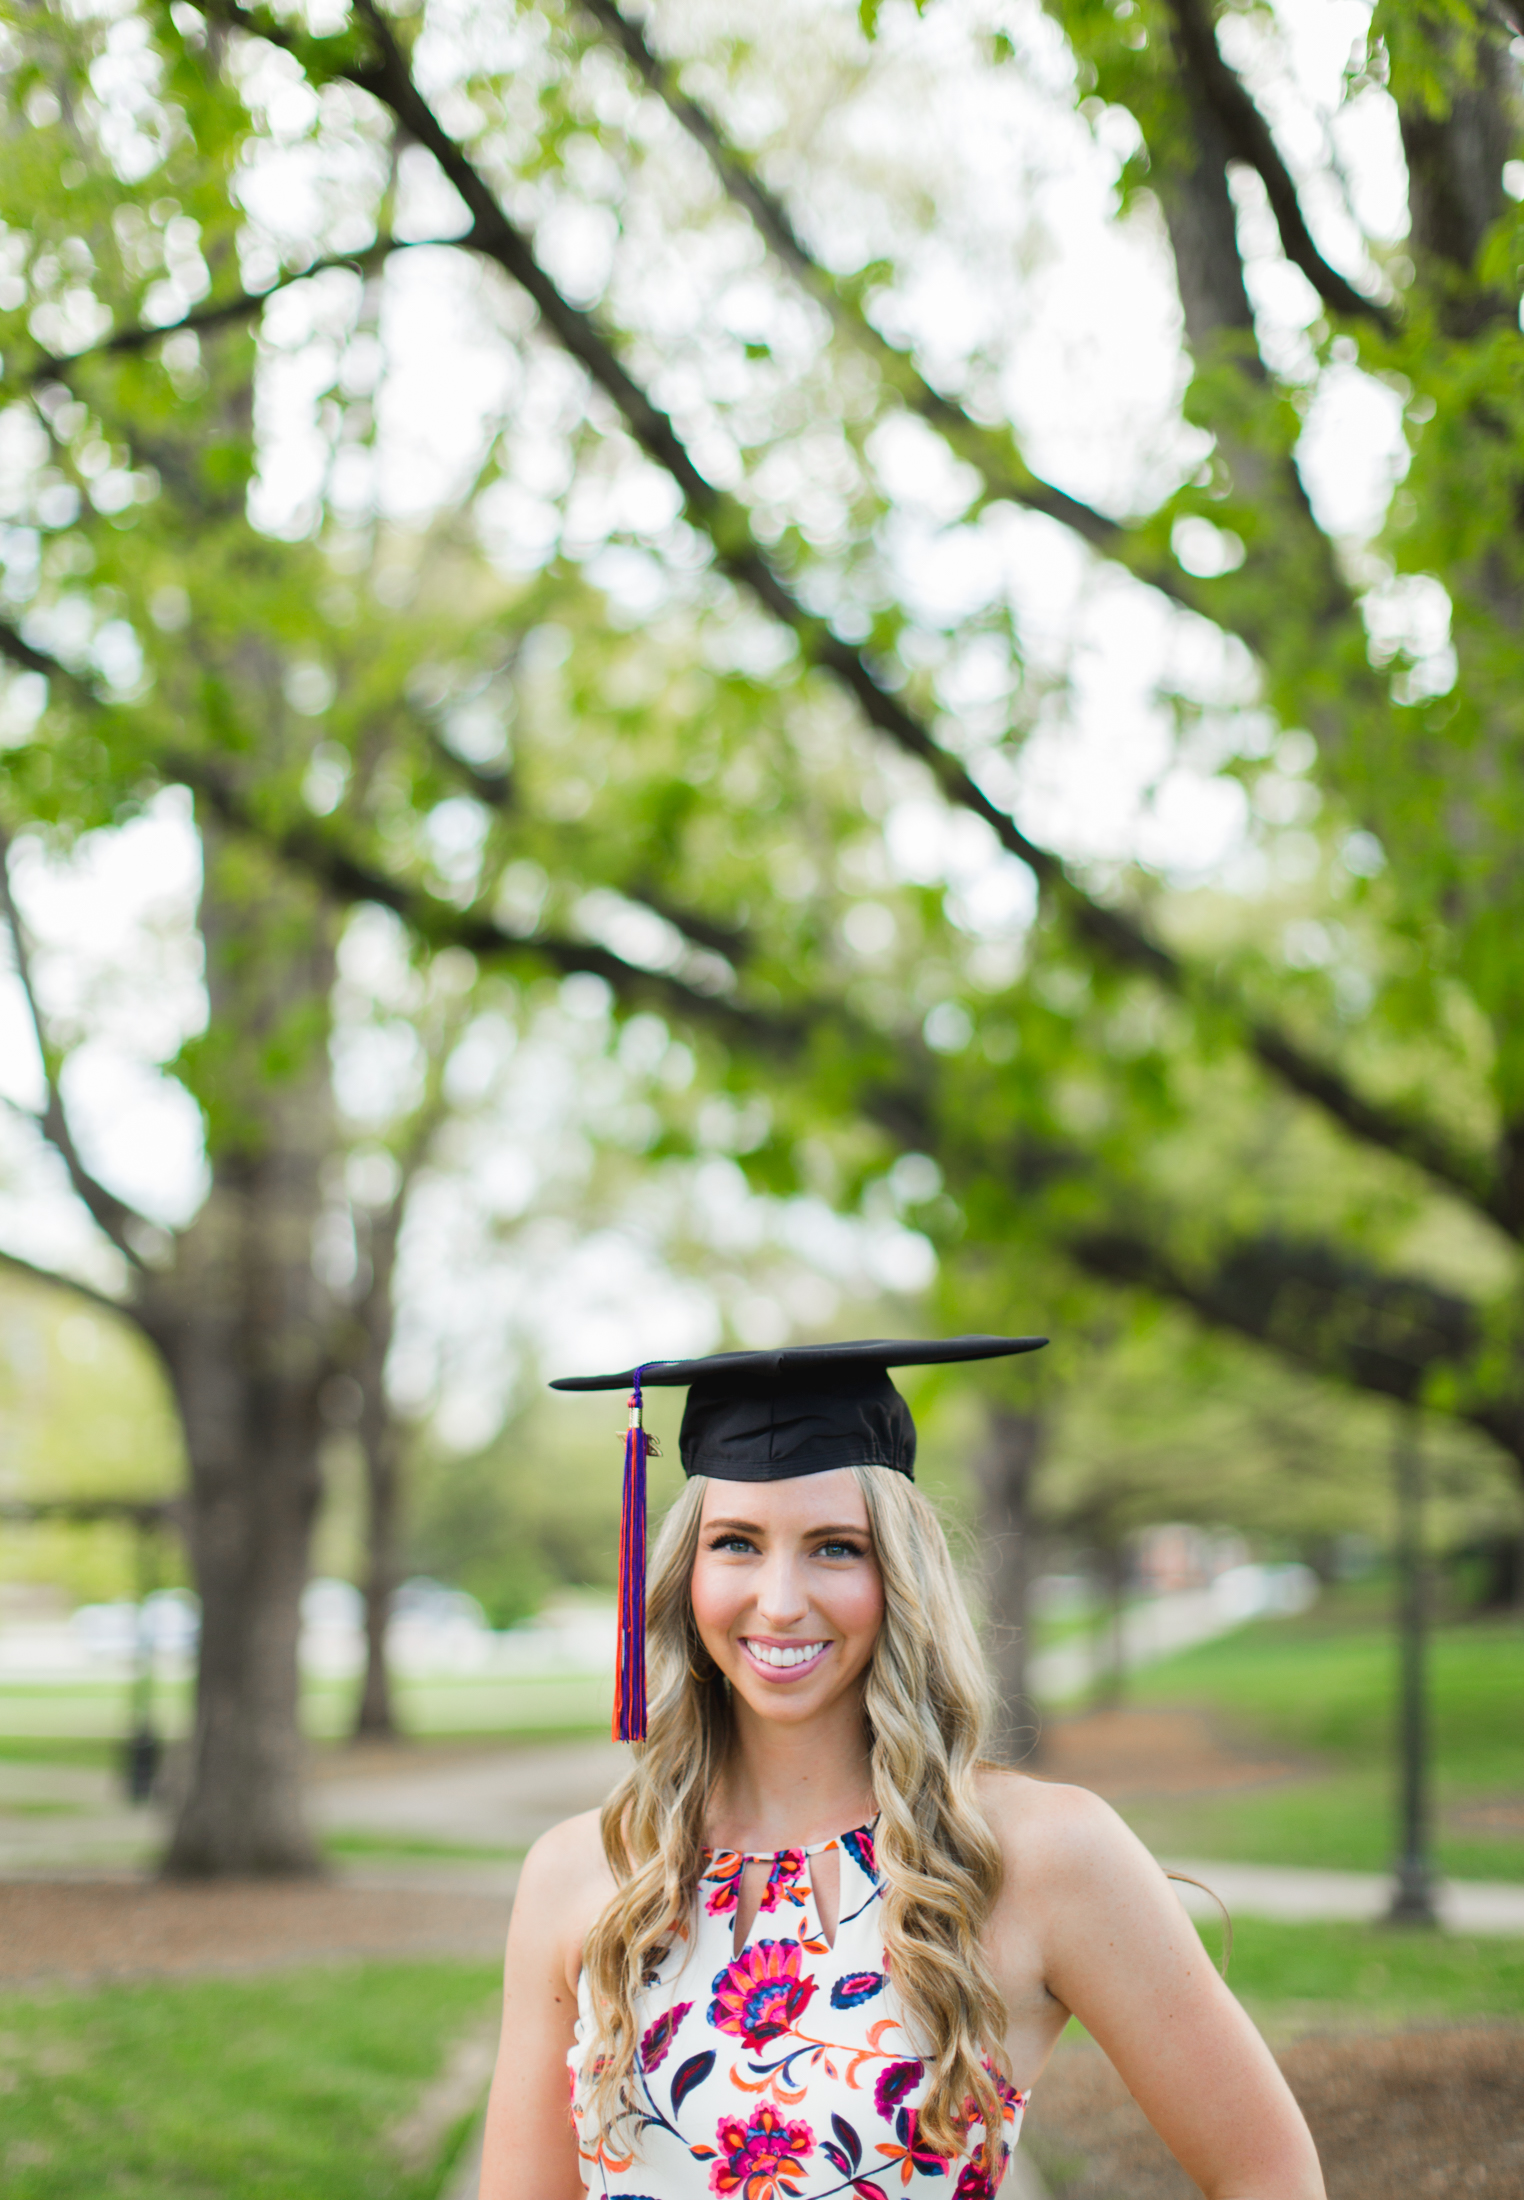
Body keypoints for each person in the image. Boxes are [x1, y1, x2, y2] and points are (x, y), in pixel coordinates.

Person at [479, 1339, 1324, 2200]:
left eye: (835, 1547)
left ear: (901, 1572)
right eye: (735, 1543)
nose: (778, 1600)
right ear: (683, 1570)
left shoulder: (1036, 1857)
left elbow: (1270, 2175)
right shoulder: (585, 1872)